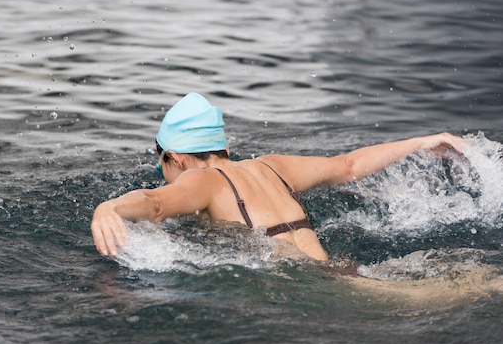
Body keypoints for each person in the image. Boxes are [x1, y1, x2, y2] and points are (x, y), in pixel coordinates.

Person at [91, 92, 465, 260]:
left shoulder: (200, 180)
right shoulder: (271, 166)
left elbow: (155, 204)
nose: (164, 175)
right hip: (336, 270)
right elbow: (349, 165)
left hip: (314, 289)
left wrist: (108, 208)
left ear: (173, 157)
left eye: (162, 168)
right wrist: (420, 141)